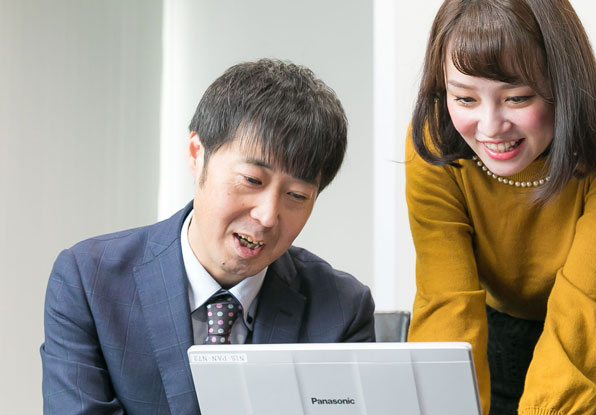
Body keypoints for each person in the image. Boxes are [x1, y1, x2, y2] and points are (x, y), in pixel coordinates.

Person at [40, 59, 375, 415]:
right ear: (196, 154)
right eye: (252, 180)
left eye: (296, 196)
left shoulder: (341, 309)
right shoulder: (89, 281)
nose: (267, 216)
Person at [405, 1, 596, 413]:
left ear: (564, 81)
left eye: (517, 98)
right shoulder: (434, 138)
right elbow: (446, 302)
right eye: (464, 98)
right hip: (495, 327)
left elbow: (587, 306)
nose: (490, 127)